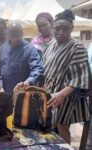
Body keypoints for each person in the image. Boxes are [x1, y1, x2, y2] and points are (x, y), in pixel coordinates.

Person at [42, 10, 92, 144]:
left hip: (66, 97)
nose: (61, 32)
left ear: (72, 29)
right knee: (48, 128)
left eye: (66, 28)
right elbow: (43, 69)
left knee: (61, 127)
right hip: (49, 93)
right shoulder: (51, 45)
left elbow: (80, 77)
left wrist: (61, 94)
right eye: (57, 28)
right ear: (53, 28)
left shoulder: (77, 48)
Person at [0, 22, 43, 93]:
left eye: (16, 36)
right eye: (11, 36)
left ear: (22, 34)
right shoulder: (3, 48)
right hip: (5, 92)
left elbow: (37, 69)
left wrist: (27, 82)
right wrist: (1, 86)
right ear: (7, 34)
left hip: (22, 94)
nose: (14, 40)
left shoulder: (30, 50)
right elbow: (0, 71)